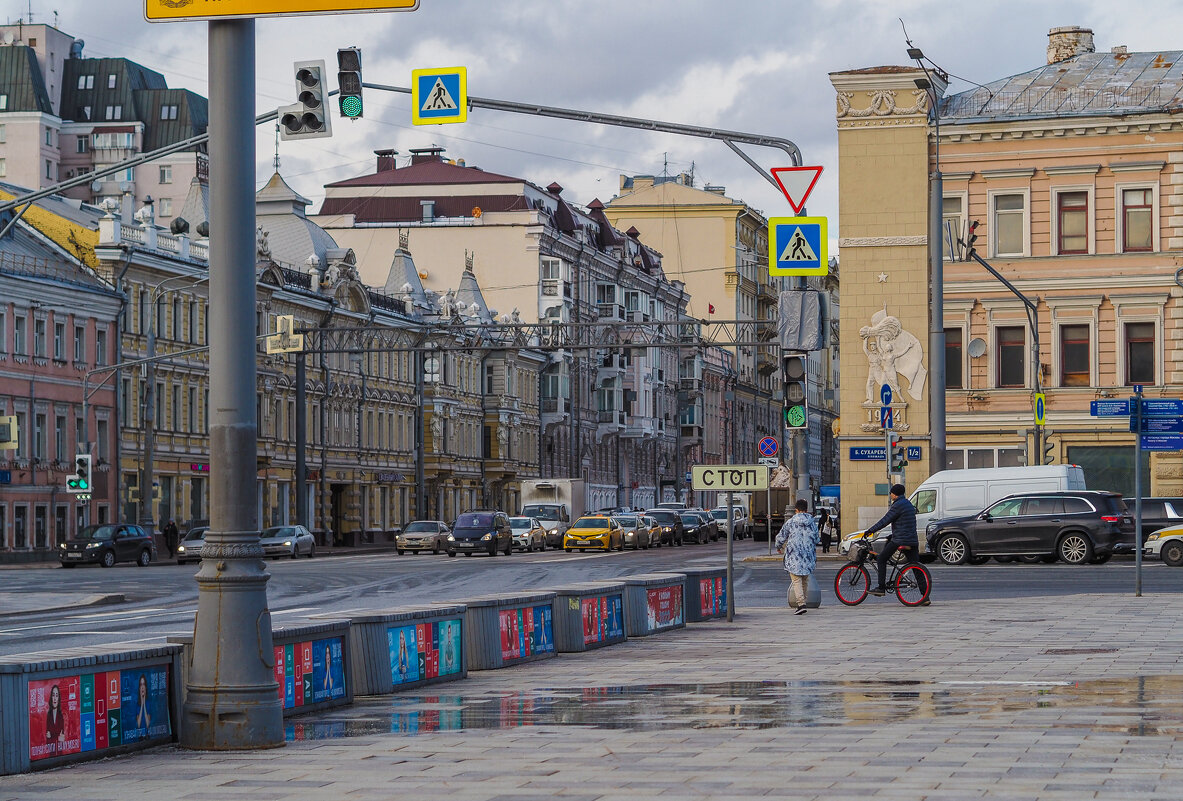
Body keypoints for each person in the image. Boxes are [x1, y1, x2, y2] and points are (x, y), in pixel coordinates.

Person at [864, 484, 929, 604]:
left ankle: (881, 588)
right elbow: (904, 523)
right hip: (912, 540)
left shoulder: (897, 505)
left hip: (901, 539)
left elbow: (885, 520)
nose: (890, 494)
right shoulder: (908, 504)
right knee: (916, 567)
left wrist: (870, 531)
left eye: (891, 493)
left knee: (882, 559)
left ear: (895, 494)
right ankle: (925, 597)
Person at [775, 499, 820, 615]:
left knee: (796, 580)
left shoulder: (791, 522)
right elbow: (817, 539)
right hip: (808, 555)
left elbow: (782, 535)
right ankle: (802, 602)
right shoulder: (812, 523)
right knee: (804, 579)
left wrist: (778, 546)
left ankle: (801, 604)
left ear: (796, 510)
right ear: (807, 509)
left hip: (794, 555)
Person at [45, 683, 65, 752]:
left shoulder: (61, 715)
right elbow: (47, 735)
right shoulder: (49, 715)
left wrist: (62, 738)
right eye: (53, 695)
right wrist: (48, 737)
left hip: (59, 751)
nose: (55, 698)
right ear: (51, 697)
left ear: (59, 698)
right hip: (51, 751)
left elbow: (63, 736)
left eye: (57, 695)